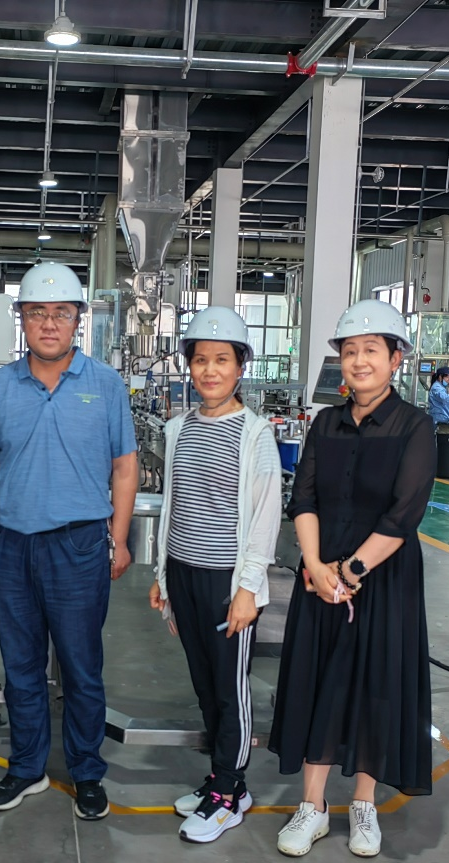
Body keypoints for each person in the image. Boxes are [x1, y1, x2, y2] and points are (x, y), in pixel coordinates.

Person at [0, 260, 139, 821]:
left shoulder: (105, 385)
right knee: (21, 667)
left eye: (60, 313)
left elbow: (125, 467)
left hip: (79, 546)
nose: (48, 323)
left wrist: (119, 538)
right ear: (22, 318)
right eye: (37, 312)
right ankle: (27, 768)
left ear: (78, 320)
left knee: (81, 666)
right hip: (12, 547)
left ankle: (86, 771)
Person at [270, 299, 437, 859]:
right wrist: (317, 568)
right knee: (317, 682)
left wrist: (350, 570)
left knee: (374, 686)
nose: (359, 360)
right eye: (349, 351)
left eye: (371, 350)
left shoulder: (414, 426)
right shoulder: (326, 423)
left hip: (382, 581)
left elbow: (404, 513)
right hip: (321, 579)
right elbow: (304, 498)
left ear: (395, 358)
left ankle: (363, 804)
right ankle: (312, 806)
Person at [147, 307, 282, 844]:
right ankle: (227, 783)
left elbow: (265, 516)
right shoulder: (178, 428)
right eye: (200, 359)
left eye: (222, 360)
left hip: (228, 583)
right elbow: (173, 507)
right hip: (184, 574)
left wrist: (248, 588)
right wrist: (162, 575)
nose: (209, 370)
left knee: (230, 691)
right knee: (204, 686)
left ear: (240, 367)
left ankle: (227, 793)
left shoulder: (255, 434)